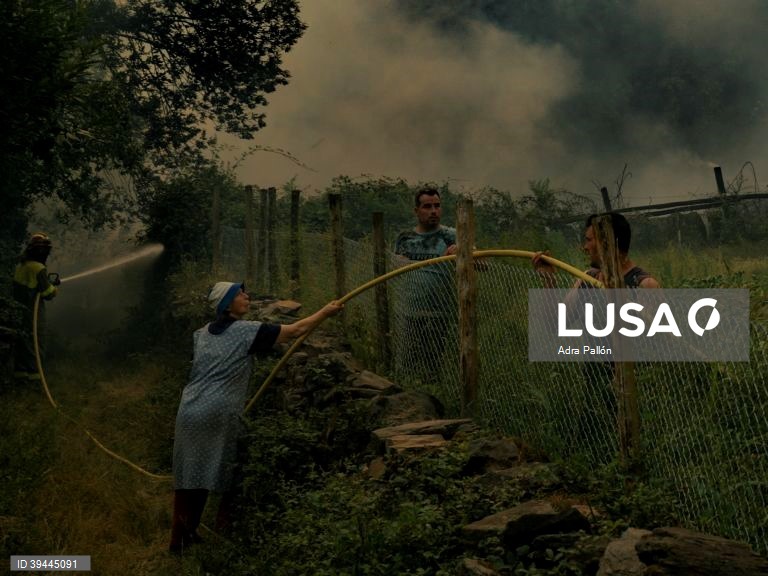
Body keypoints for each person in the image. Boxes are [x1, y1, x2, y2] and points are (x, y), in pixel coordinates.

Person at [170, 281, 342, 554]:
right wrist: (325, 312)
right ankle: (226, 540)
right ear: (227, 305)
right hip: (220, 411)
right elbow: (297, 330)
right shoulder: (247, 331)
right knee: (229, 474)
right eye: (239, 294)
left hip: (189, 409)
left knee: (190, 474)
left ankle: (180, 539)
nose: (246, 296)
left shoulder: (200, 334)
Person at [393, 186, 458, 385]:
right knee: (407, 366)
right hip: (410, 311)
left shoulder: (451, 236)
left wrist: (462, 253)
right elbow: (395, 265)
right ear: (417, 210)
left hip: (440, 312)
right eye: (427, 206)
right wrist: (400, 262)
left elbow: (481, 264)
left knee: (434, 368)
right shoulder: (405, 238)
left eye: (437, 206)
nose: (433, 211)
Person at [532, 212, 659, 289]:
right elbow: (556, 324)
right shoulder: (587, 279)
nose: (585, 247)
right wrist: (549, 280)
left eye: (589, 240)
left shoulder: (645, 285)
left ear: (607, 244)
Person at [12, 232, 59, 380]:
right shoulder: (38, 268)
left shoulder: (21, 266)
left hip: (19, 312)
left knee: (23, 344)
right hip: (34, 312)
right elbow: (48, 294)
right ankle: (36, 379)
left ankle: (21, 377)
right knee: (37, 344)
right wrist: (54, 287)